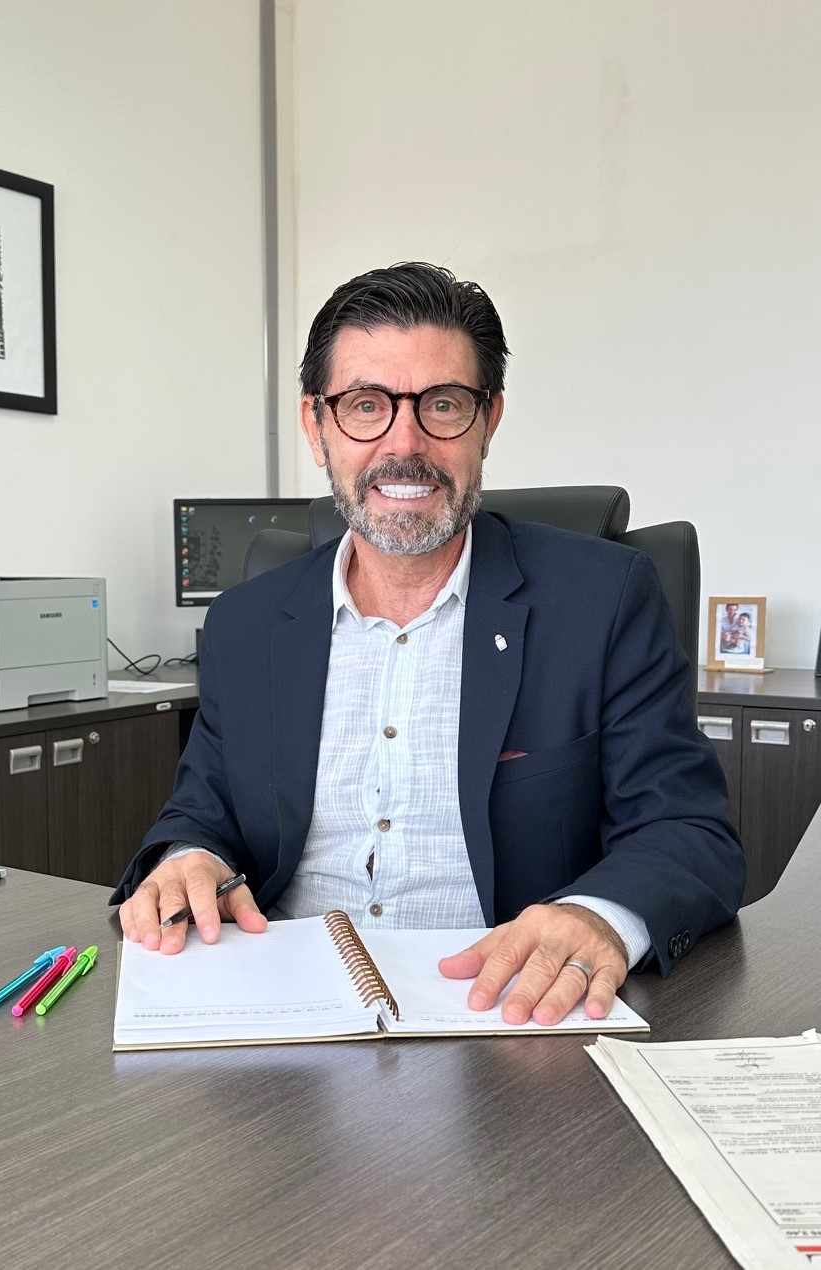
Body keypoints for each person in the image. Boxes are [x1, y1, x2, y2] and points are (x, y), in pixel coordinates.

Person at [113, 262, 745, 1027]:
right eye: (365, 405)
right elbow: (202, 810)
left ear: (489, 420)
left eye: (442, 404)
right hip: (279, 1010)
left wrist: (598, 916)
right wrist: (188, 858)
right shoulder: (246, 622)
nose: (404, 444)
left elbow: (686, 831)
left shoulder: (601, 600)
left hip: (509, 1011)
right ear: (316, 426)